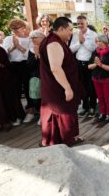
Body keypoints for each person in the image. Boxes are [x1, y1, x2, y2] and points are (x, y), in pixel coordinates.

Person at [39, 17, 82, 147]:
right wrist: (67, 88)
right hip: (57, 88)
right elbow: (56, 68)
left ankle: (61, 140)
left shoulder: (52, 40)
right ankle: (62, 142)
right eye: (69, 30)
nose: (71, 33)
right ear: (61, 29)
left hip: (53, 86)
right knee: (62, 113)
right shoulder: (54, 43)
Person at [2, 19, 32, 126]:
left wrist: (19, 46)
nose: (15, 30)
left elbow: (30, 55)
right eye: (12, 28)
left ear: (23, 27)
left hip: (25, 66)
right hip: (13, 67)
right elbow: (4, 53)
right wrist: (13, 46)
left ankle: (31, 111)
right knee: (15, 91)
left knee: (29, 89)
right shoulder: (8, 39)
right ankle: (18, 114)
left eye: (17, 27)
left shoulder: (29, 39)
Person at [69, 15, 97, 118]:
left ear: (87, 23)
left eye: (82, 23)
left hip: (89, 64)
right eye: (78, 23)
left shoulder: (93, 34)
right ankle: (85, 107)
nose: (80, 25)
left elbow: (93, 49)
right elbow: (71, 49)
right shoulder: (75, 35)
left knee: (91, 87)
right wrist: (79, 42)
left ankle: (93, 107)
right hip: (78, 63)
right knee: (82, 86)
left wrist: (84, 41)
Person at [88, 35, 109, 122]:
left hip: (106, 78)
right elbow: (89, 66)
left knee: (107, 97)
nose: (98, 43)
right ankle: (102, 113)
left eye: (99, 41)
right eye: (97, 42)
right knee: (100, 97)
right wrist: (96, 64)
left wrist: (101, 64)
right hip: (96, 78)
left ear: (105, 42)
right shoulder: (95, 52)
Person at [25, 30, 45, 124]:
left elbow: (47, 63)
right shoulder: (31, 50)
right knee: (36, 97)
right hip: (35, 76)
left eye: (34, 37)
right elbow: (29, 65)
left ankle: (44, 115)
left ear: (42, 38)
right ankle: (40, 113)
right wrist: (35, 55)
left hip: (46, 76)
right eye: (31, 38)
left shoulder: (47, 47)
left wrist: (39, 54)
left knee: (45, 96)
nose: (32, 40)